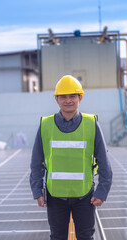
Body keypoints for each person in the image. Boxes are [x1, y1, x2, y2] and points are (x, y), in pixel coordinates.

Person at [30, 75, 113, 240]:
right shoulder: (46, 125)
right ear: (56, 99)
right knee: (57, 237)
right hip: (55, 196)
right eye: (63, 96)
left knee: (86, 236)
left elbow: (104, 161)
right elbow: (36, 161)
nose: (68, 100)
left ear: (80, 98)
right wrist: (37, 190)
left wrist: (102, 191)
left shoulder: (91, 124)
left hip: (85, 196)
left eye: (72, 96)